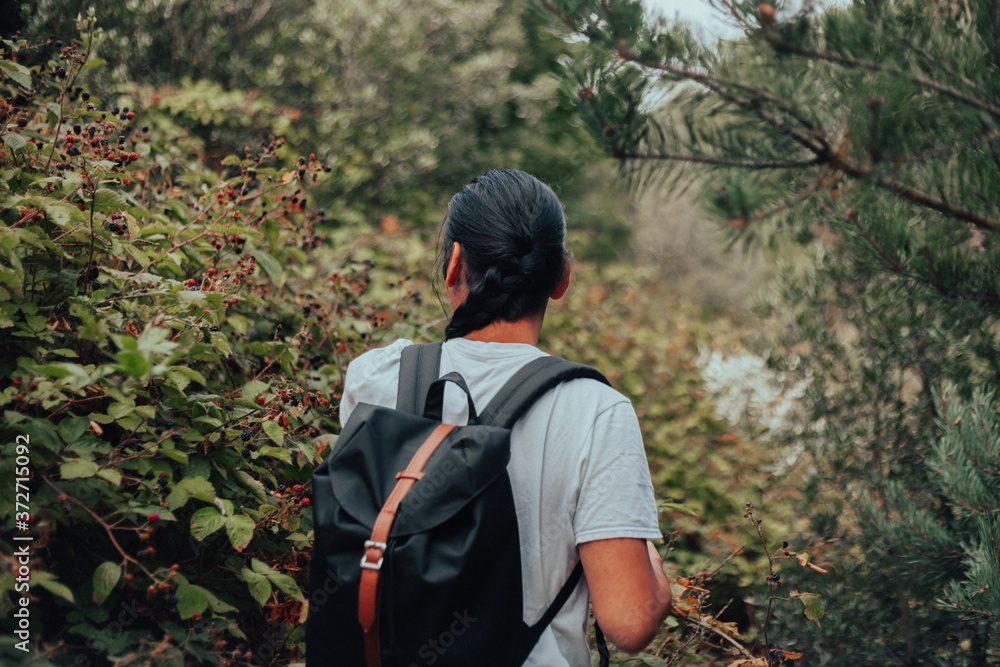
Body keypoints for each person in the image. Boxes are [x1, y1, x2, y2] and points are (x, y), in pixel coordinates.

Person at [338, 169, 672, 665]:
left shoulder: (375, 377)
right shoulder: (596, 410)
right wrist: (652, 568)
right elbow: (629, 621)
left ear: (454, 264)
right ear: (561, 278)